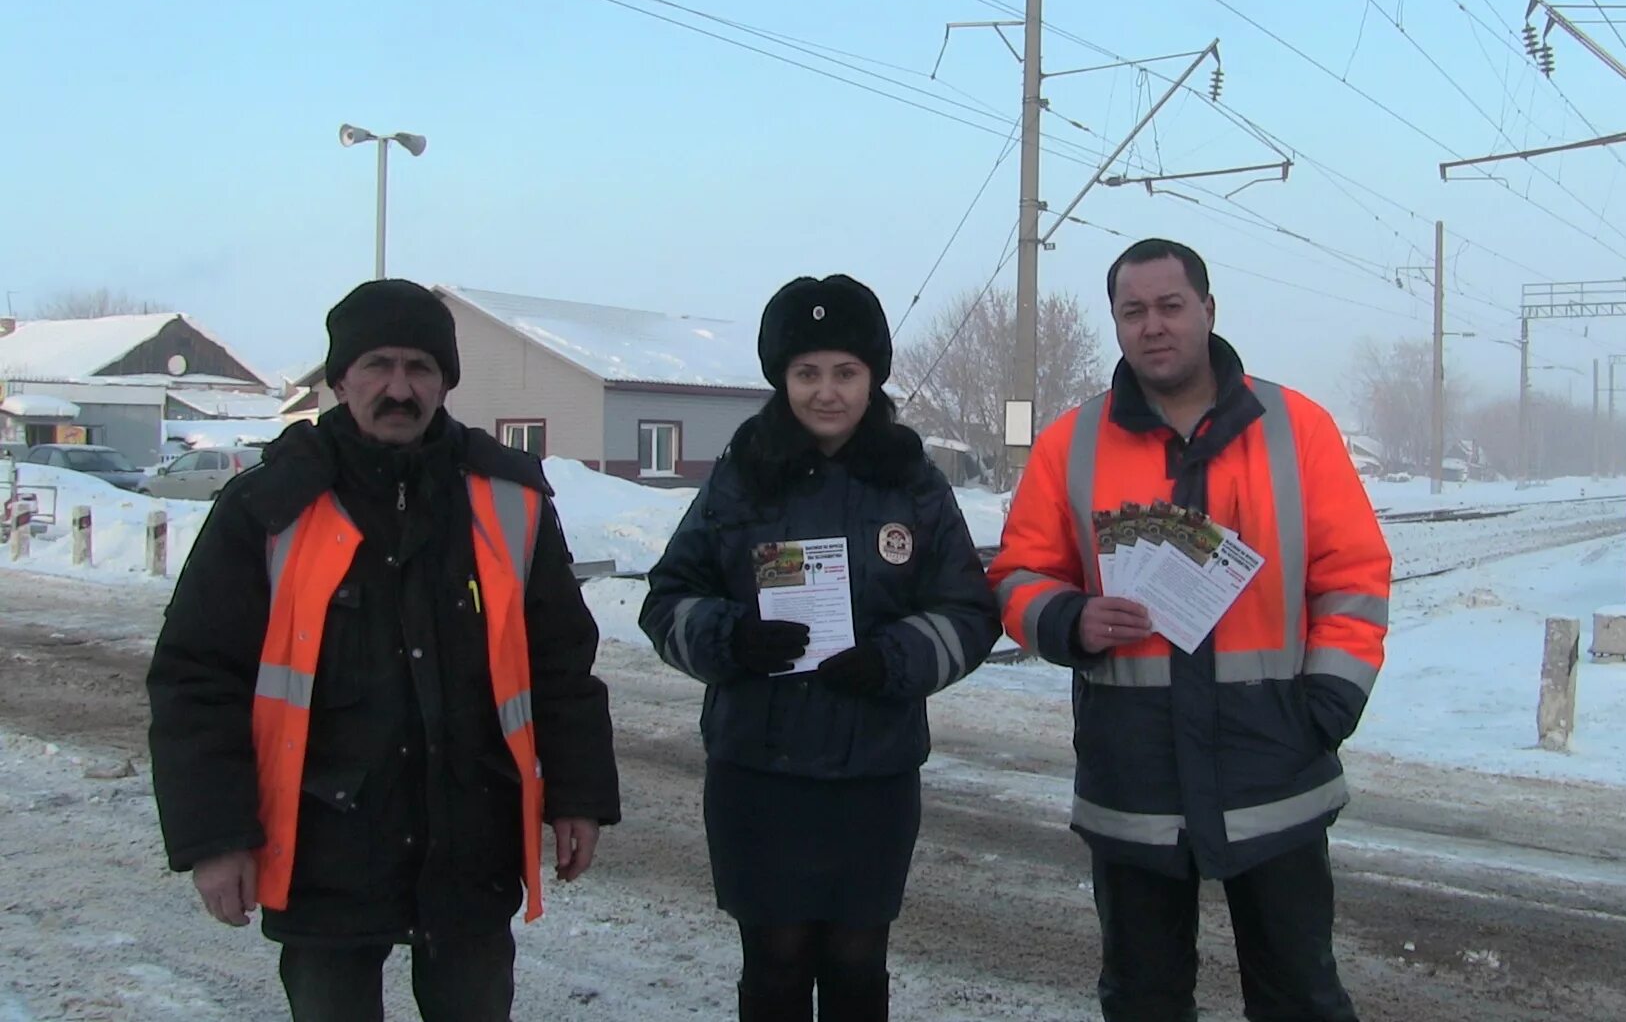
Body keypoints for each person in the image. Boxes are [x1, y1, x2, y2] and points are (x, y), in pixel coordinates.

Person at [147, 279, 621, 1021]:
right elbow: (195, 680)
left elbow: (561, 665)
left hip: (471, 845)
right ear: (340, 379)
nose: (399, 388)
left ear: (445, 383)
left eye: (421, 369)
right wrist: (214, 839)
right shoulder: (268, 510)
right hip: (320, 850)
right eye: (378, 365)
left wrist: (579, 797)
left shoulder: (508, 503)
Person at [988, 239, 1392, 1021]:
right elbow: (1015, 575)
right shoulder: (1069, 443)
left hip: (1274, 764)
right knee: (1143, 999)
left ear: (1208, 310)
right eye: (1132, 311)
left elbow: (1355, 576)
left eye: (1170, 306)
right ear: (1115, 323)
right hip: (1132, 774)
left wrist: (1326, 707)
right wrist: (1069, 617)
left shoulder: (1296, 428)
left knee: (1300, 997)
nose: (1153, 326)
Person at [639, 273, 999, 1022]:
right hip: (757, 771)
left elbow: (969, 610)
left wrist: (895, 660)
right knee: (774, 963)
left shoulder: (914, 484)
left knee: (857, 963)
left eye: (845, 373)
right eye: (807, 374)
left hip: (872, 771)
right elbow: (666, 600)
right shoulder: (740, 479)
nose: (826, 392)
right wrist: (730, 637)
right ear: (781, 378)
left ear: (873, 378)